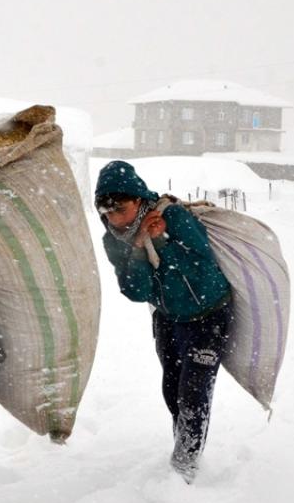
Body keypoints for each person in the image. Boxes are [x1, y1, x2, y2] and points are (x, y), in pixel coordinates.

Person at [94, 160, 233, 483]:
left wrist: (163, 243)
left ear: (138, 199)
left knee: (194, 391)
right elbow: (135, 290)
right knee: (173, 389)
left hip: (208, 315)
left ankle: (184, 466)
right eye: (106, 210)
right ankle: (184, 445)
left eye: (120, 207)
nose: (113, 216)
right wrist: (142, 247)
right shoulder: (113, 240)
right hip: (168, 318)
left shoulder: (173, 217)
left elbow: (202, 269)